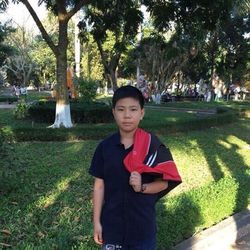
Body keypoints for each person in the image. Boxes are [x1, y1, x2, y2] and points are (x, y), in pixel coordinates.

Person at [89, 85, 182, 250]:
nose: (127, 115)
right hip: (112, 228)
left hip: (142, 229)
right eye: (121, 109)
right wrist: (97, 222)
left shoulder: (152, 146)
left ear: (142, 113)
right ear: (113, 113)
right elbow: (99, 186)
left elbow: (163, 183)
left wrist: (142, 187)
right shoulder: (105, 147)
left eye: (133, 109)